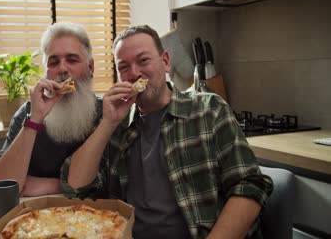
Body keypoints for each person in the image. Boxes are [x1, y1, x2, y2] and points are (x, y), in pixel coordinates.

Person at [61, 25, 273, 238]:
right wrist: (108, 122)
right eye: (123, 67)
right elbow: (76, 188)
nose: (134, 73)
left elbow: (249, 185)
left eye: (143, 61)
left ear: (165, 62)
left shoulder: (209, 110)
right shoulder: (116, 126)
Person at [0, 22, 102, 197]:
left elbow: (109, 184)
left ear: (90, 68)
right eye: (54, 62)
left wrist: (38, 184)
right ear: (46, 72)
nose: (62, 69)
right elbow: (2, 185)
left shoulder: (107, 113)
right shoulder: (27, 114)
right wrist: (34, 120)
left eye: (72, 60)